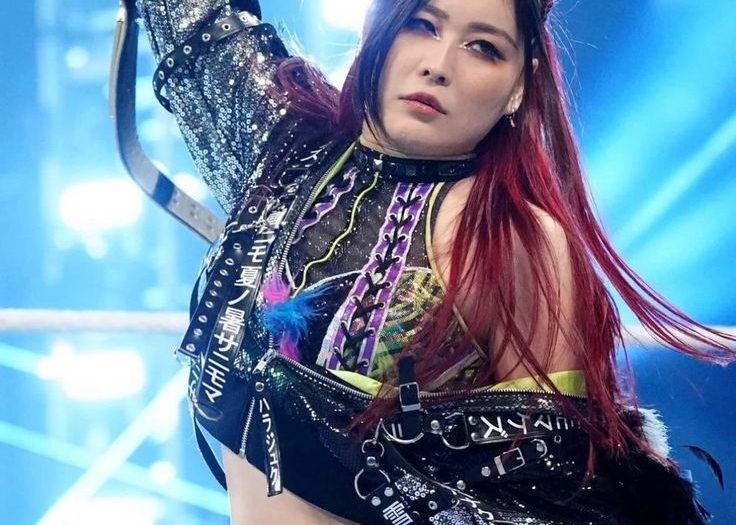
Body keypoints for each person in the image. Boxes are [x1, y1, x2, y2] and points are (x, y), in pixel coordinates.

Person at [136, 0, 734, 523]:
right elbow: (189, 18)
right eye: (422, 24)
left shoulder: (516, 239)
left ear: (519, 86)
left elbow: (563, 500)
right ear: (377, 26)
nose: (439, 64)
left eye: (483, 47)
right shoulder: (284, 151)